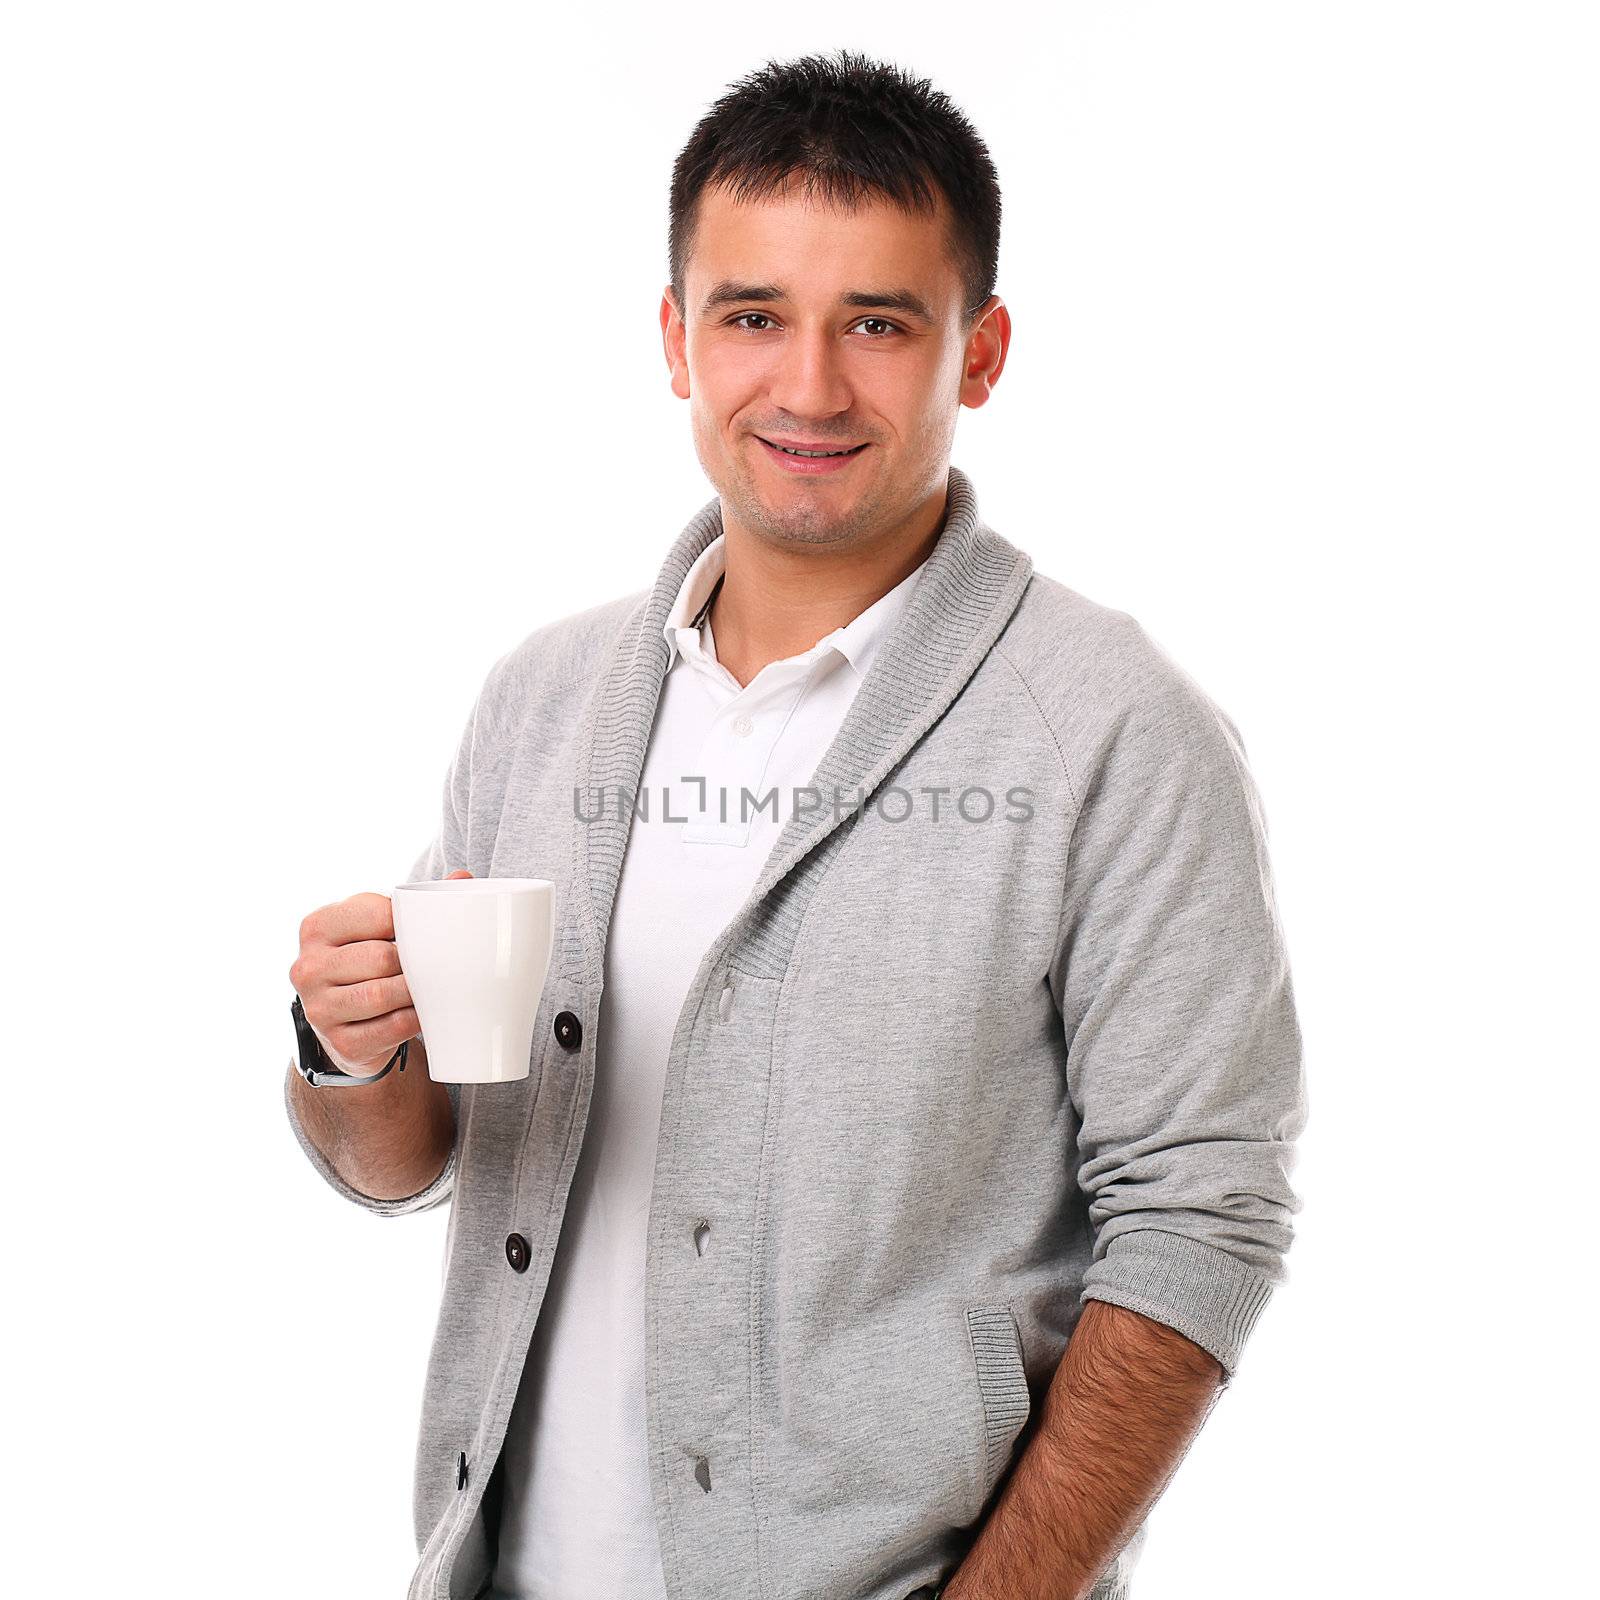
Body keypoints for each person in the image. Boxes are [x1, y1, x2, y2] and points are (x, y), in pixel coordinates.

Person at [284, 49, 1307, 1600]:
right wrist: (345, 1053)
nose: (810, 387)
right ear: (677, 342)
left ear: (982, 352)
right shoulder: (544, 696)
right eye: (753, 315)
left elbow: (1202, 1224)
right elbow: (411, 1160)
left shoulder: (1114, 729)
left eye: (879, 323)